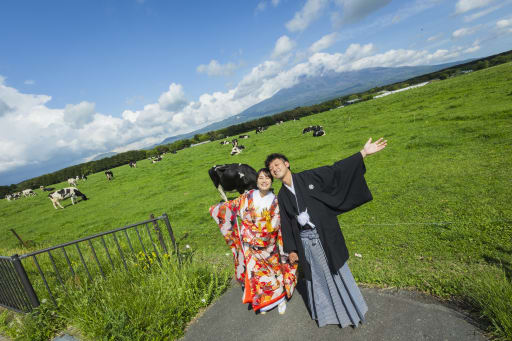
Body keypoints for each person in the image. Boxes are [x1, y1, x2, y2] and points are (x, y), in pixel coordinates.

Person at [265, 137, 387, 327]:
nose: (275, 169)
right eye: (272, 169)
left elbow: (335, 171)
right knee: (319, 278)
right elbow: (287, 224)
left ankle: (351, 310)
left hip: (325, 236)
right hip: (306, 243)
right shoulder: (282, 196)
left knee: (337, 271)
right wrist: (292, 250)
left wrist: (363, 153)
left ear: (287, 164)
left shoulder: (309, 177)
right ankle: (329, 314)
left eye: (277, 164)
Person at [210, 168, 298, 314]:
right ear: (256, 181)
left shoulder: (276, 201)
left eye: (267, 178)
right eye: (261, 178)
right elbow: (231, 207)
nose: (264, 181)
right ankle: (264, 303)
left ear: (271, 181)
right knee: (257, 276)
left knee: (273, 272)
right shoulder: (247, 196)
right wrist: (216, 209)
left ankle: (280, 298)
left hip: (268, 246)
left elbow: (280, 222)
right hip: (250, 246)